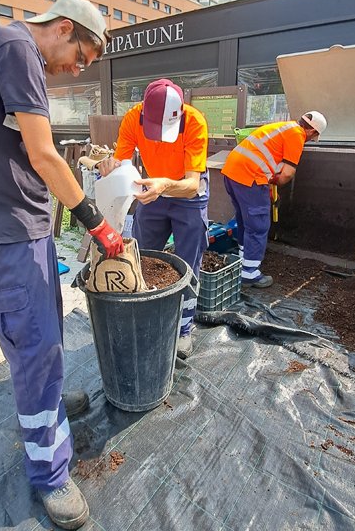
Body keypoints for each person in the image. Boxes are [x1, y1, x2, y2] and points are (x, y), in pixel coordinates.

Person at [0, 0, 123, 530]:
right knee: (35, 342)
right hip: (8, 228)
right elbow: (43, 153)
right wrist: (95, 221)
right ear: (62, 27)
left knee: (36, 330)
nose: (75, 69)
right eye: (82, 56)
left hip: (4, 221)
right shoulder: (16, 47)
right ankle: (50, 472)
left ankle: (48, 398)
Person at [98, 79, 209, 360]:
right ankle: (145, 313)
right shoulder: (133, 117)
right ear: (144, 113)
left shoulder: (194, 122)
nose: (159, 138)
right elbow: (122, 162)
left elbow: (193, 184)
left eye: (165, 131)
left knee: (188, 261)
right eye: (154, 131)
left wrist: (164, 186)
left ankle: (184, 328)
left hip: (187, 195)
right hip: (151, 188)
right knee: (143, 253)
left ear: (180, 112)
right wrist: (111, 168)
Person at [221, 111, 327, 288]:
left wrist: (267, 182)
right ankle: (250, 274)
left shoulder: (281, 126)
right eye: (313, 137)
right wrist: (274, 182)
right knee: (258, 225)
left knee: (243, 219)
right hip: (251, 177)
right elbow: (287, 173)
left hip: (232, 173)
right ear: (312, 132)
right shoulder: (297, 135)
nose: (309, 140)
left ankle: (243, 261)